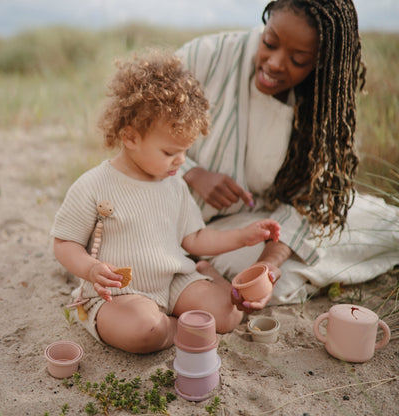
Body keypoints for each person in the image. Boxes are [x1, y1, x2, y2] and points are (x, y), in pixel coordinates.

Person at [176, 0, 399, 312]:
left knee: (278, 280)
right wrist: (191, 171)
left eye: (298, 59)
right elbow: (134, 131)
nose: (276, 63)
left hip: (256, 221)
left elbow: (310, 200)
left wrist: (270, 263)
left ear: (321, 63)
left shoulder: (322, 104)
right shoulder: (203, 57)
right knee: (282, 283)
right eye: (269, 43)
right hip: (184, 221)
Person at [51, 51, 280, 353]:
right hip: (118, 293)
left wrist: (243, 237)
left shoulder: (174, 185)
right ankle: (175, 326)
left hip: (172, 281)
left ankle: (188, 310)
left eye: (186, 151)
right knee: (143, 330)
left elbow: (195, 238)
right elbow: (64, 244)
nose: (181, 161)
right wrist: (91, 269)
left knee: (228, 315)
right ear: (130, 137)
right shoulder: (94, 185)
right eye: (170, 152)